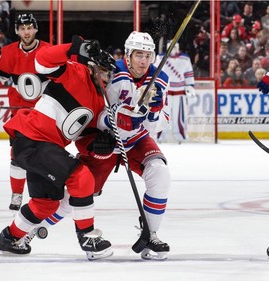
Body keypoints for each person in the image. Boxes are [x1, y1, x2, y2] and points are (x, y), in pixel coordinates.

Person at [21, 31, 172, 261]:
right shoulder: (112, 73)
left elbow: (156, 126)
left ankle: (150, 235)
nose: (143, 61)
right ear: (128, 55)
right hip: (105, 140)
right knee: (80, 191)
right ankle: (31, 230)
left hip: (136, 140)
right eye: (138, 54)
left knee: (160, 173)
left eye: (148, 55)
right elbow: (95, 112)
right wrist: (107, 130)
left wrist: (153, 110)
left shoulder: (160, 79)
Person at [0, 35, 116, 260]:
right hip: (34, 140)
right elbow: (42, 60)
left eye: (109, 74)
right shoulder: (74, 72)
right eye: (103, 71)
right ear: (91, 67)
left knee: (45, 204)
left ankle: (7, 239)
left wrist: (101, 147)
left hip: (40, 147)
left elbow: (85, 141)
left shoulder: (98, 105)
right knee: (81, 177)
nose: (106, 78)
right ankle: (87, 237)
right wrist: (75, 48)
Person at [0, 13, 51, 212]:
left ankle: (47, 190)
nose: (26, 32)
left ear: (35, 29)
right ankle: (17, 193)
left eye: (29, 28)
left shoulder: (48, 51)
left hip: (46, 111)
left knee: (48, 154)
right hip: (20, 114)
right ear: (17, 30)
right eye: (22, 28)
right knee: (17, 155)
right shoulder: (8, 52)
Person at [154, 41, 195, 144]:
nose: (173, 49)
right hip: (165, 92)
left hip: (180, 91)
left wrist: (190, 86)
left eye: (175, 47)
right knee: (163, 115)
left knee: (179, 116)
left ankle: (180, 136)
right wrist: (155, 86)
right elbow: (155, 72)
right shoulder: (161, 58)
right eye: (171, 47)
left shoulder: (185, 59)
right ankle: (160, 136)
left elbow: (188, 74)